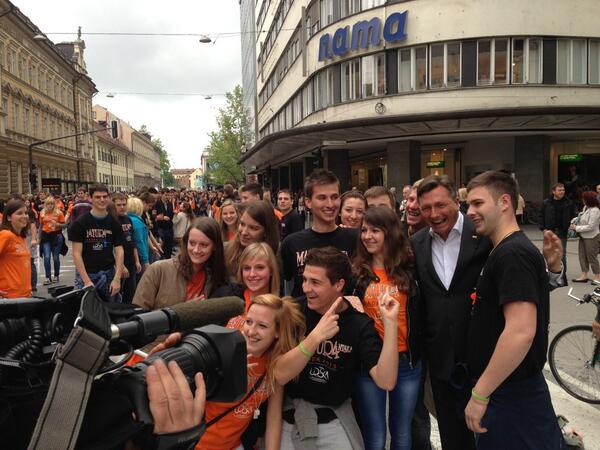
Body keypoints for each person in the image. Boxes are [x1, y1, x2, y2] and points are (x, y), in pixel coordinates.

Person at [464, 170, 563, 449]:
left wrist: (480, 395)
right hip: (507, 391)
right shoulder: (503, 249)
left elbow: (520, 332)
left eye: (478, 203)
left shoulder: (512, 254)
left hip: (511, 394)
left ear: (505, 202)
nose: (469, 212)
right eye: (468, 204)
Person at [274, 246, 399, 450]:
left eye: (315, 282)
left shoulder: (359, 324)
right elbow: (279, 374)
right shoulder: (294, 311)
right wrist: (315, 337)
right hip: (292, 414)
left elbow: (386, 381)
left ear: (339, 284)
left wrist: (391, 323)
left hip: (334, 416)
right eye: (305, 280)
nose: (306, 288)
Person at [351, 207, 422, 450]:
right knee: (375, 435)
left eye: (375, 231)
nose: (367, 236)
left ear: (389, 233)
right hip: (370, 362)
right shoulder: (357, 273)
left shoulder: (410, 269)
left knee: (402, 432)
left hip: (406, 361)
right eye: (364, 230)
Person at [196, 294, 306, 450]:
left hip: (233, 446)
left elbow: (274, 417)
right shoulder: (223, 349)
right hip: (196, 444)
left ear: (277, 332)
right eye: (248, 322)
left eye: (262, 326)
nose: (251, 331)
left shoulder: (275, 364)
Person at [279, 169, 359, 297]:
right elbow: (285, 285)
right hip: (303, 309)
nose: (330, 204)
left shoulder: (356, 239)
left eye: (334, 197)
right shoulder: (291, 243)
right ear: (308, 202)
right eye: (322, 198)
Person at [133, 217, 228, 311]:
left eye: (204, 245)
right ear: (186, 242)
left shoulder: (215, 276)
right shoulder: (158, 270)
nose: (196, 250)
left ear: (215, 246)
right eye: (192, 243)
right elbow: (137, 314)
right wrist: (182, 310)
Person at [70, 183, 125, 303]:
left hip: (108, 273)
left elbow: (119, 251)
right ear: (90, 198)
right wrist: (86, 281)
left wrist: (117, 279)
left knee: (111, 310)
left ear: (109, 198)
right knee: (85, 311)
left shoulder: (114, 223)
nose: (102, 200)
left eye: (105, 197)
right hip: (86, 274)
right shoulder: (80, 223)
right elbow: (76, 254)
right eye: (98, 197)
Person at [213, 242, 280, 329]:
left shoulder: (280, 308)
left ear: (271, 270)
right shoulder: (226, 295)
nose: (252, 274)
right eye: (247, 268)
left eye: (259, 267)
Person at [225, 200, 280, 277]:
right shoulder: (226, 251)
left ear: (266, 231)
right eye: (242, 224)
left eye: (253, 228)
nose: (244, 232)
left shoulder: (277, 256)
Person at [539, 182, 578, 276]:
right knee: (549, 252)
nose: (562, 192)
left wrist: (571, 225)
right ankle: (548, 273)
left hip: (562, 231)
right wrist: (543, 229)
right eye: (559, 190)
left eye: (563, 190)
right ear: (553, 191)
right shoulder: (546, 202)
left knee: (562, 253)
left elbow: (574, 216)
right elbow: (541, 216)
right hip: (549, 231)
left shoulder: (568, 202)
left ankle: (562, 274)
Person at [0, 199, 32, 298]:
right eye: (19, 213)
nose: (24, 216)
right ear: (9, 217)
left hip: (25, 296)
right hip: (9, 297)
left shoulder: (21, 237)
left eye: (26, 213)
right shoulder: (6, 235)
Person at [113, 193, 141, 304]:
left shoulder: (128, 219)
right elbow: (113, 246)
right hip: (120, 262)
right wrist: (121, 266)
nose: (122, 207)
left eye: (124, 204)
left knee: (131, 291)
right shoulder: (112, 220)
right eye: (119, 205)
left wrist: (137, 260)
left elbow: (133, 241)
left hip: (131, 260)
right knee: (119, 292)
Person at [570, 191, 600, 284]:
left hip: (592, 237)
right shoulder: (586, 207)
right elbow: (582, 217)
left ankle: (597, 276)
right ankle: (584, 275)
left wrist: (576, 228)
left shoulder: (595, 210)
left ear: (589, 199)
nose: (582, 200)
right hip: (583, 236)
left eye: (584, 198)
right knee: (582, 256)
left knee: (592, 257)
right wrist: (574, 220)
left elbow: (591, 226)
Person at [39, 196, 66, 285]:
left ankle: (56, 275)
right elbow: (40, 226)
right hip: (46, 236)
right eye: (48, 204)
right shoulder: (42, 213)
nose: (50, 205)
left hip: (56, 236)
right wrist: (38, 238)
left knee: (55, 257)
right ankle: (48, 277)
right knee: (46, 257)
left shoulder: (59, 213)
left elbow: (64, 225)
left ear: (54, 204)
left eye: (51, 204)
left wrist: (57, 224)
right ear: (45, 205)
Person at [127, 196, 150, 279]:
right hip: (139, 258)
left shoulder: (127, 219)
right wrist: (145, 260)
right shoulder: (137, 222)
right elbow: (139, 241)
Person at [155, 189, 176, 259]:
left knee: (169, 245)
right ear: (162, 195)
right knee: (162, 245)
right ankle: (162, 259)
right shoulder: (157, 203)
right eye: (166, 195)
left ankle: (168, 258)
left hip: (169, 227)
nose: (167, 197)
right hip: (161, 227)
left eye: (169, 195)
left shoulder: (170, 204)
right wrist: (162, 217)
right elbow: (154, 216)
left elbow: (171, 215)